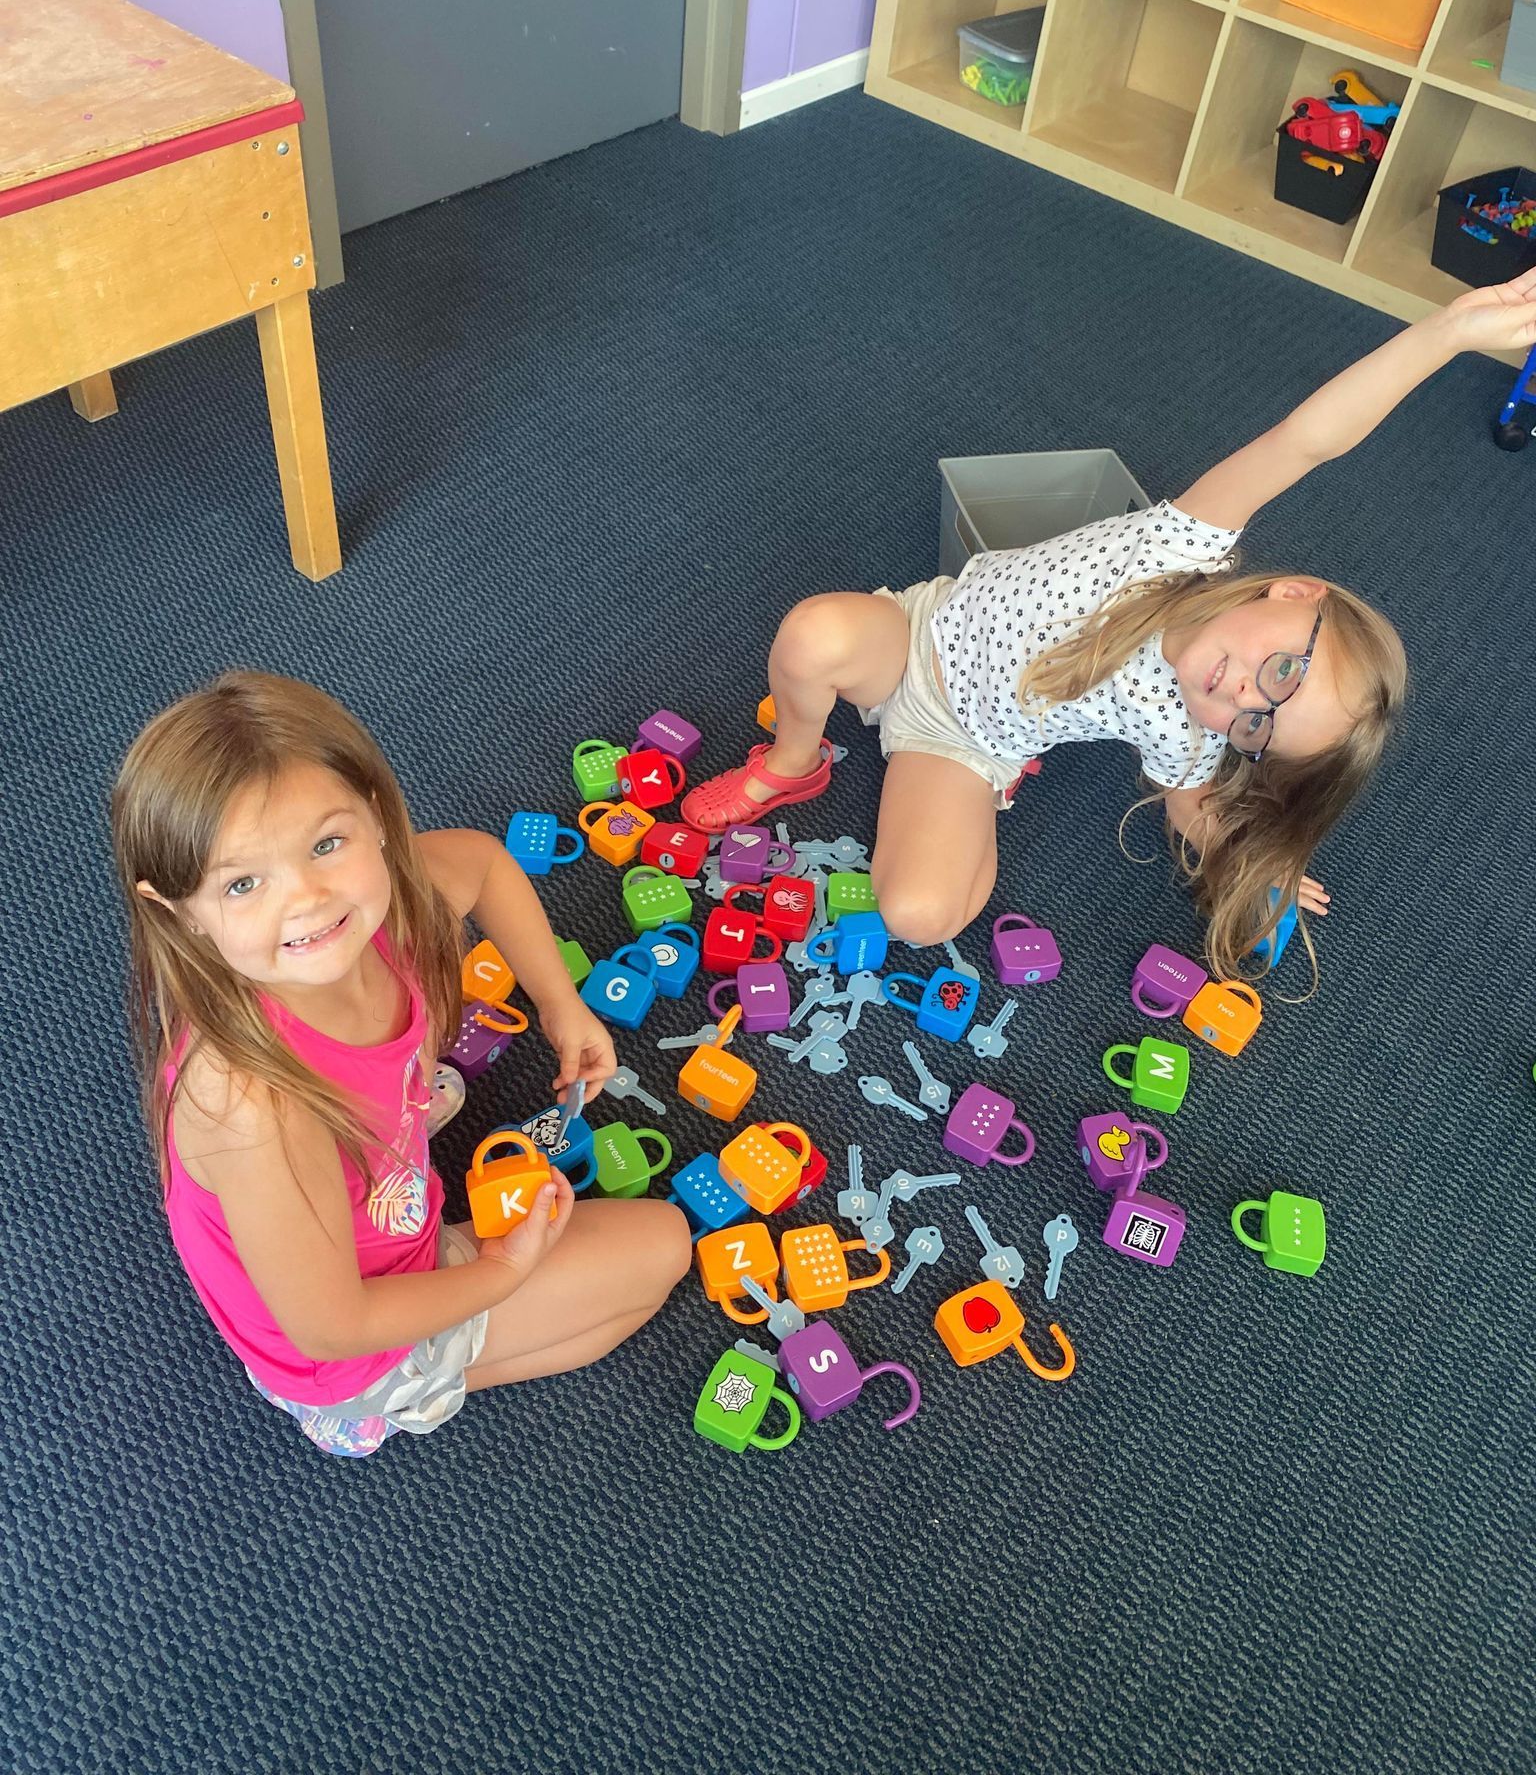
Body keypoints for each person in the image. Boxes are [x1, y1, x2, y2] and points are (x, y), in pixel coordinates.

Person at [682, 273, 1536, 979]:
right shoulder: (1183, 543)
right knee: (810, 636)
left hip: (965, 742)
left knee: (917, 915)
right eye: (1280, 674)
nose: (1242, 696)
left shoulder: (1184, 728)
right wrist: (1446, 334)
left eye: (1255, 727)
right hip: (914, 634)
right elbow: (1308, 440)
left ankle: (991, 789)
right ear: (1294, 594)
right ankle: (794, 764)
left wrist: (1254, 865)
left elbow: (1189, 801)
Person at [112, 671, 691, 1459]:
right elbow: (330, 1322)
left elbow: (484, 864)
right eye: (244, 883)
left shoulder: (395, 905)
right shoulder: (256, 1108)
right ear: (179, 911)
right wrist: (502, 1272)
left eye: (326, 843)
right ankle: (379, 1403)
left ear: (377, 819)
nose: (309, 898)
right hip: (346, 1345)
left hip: (363, 1213)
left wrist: (562, 1006)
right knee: (663, 1251)